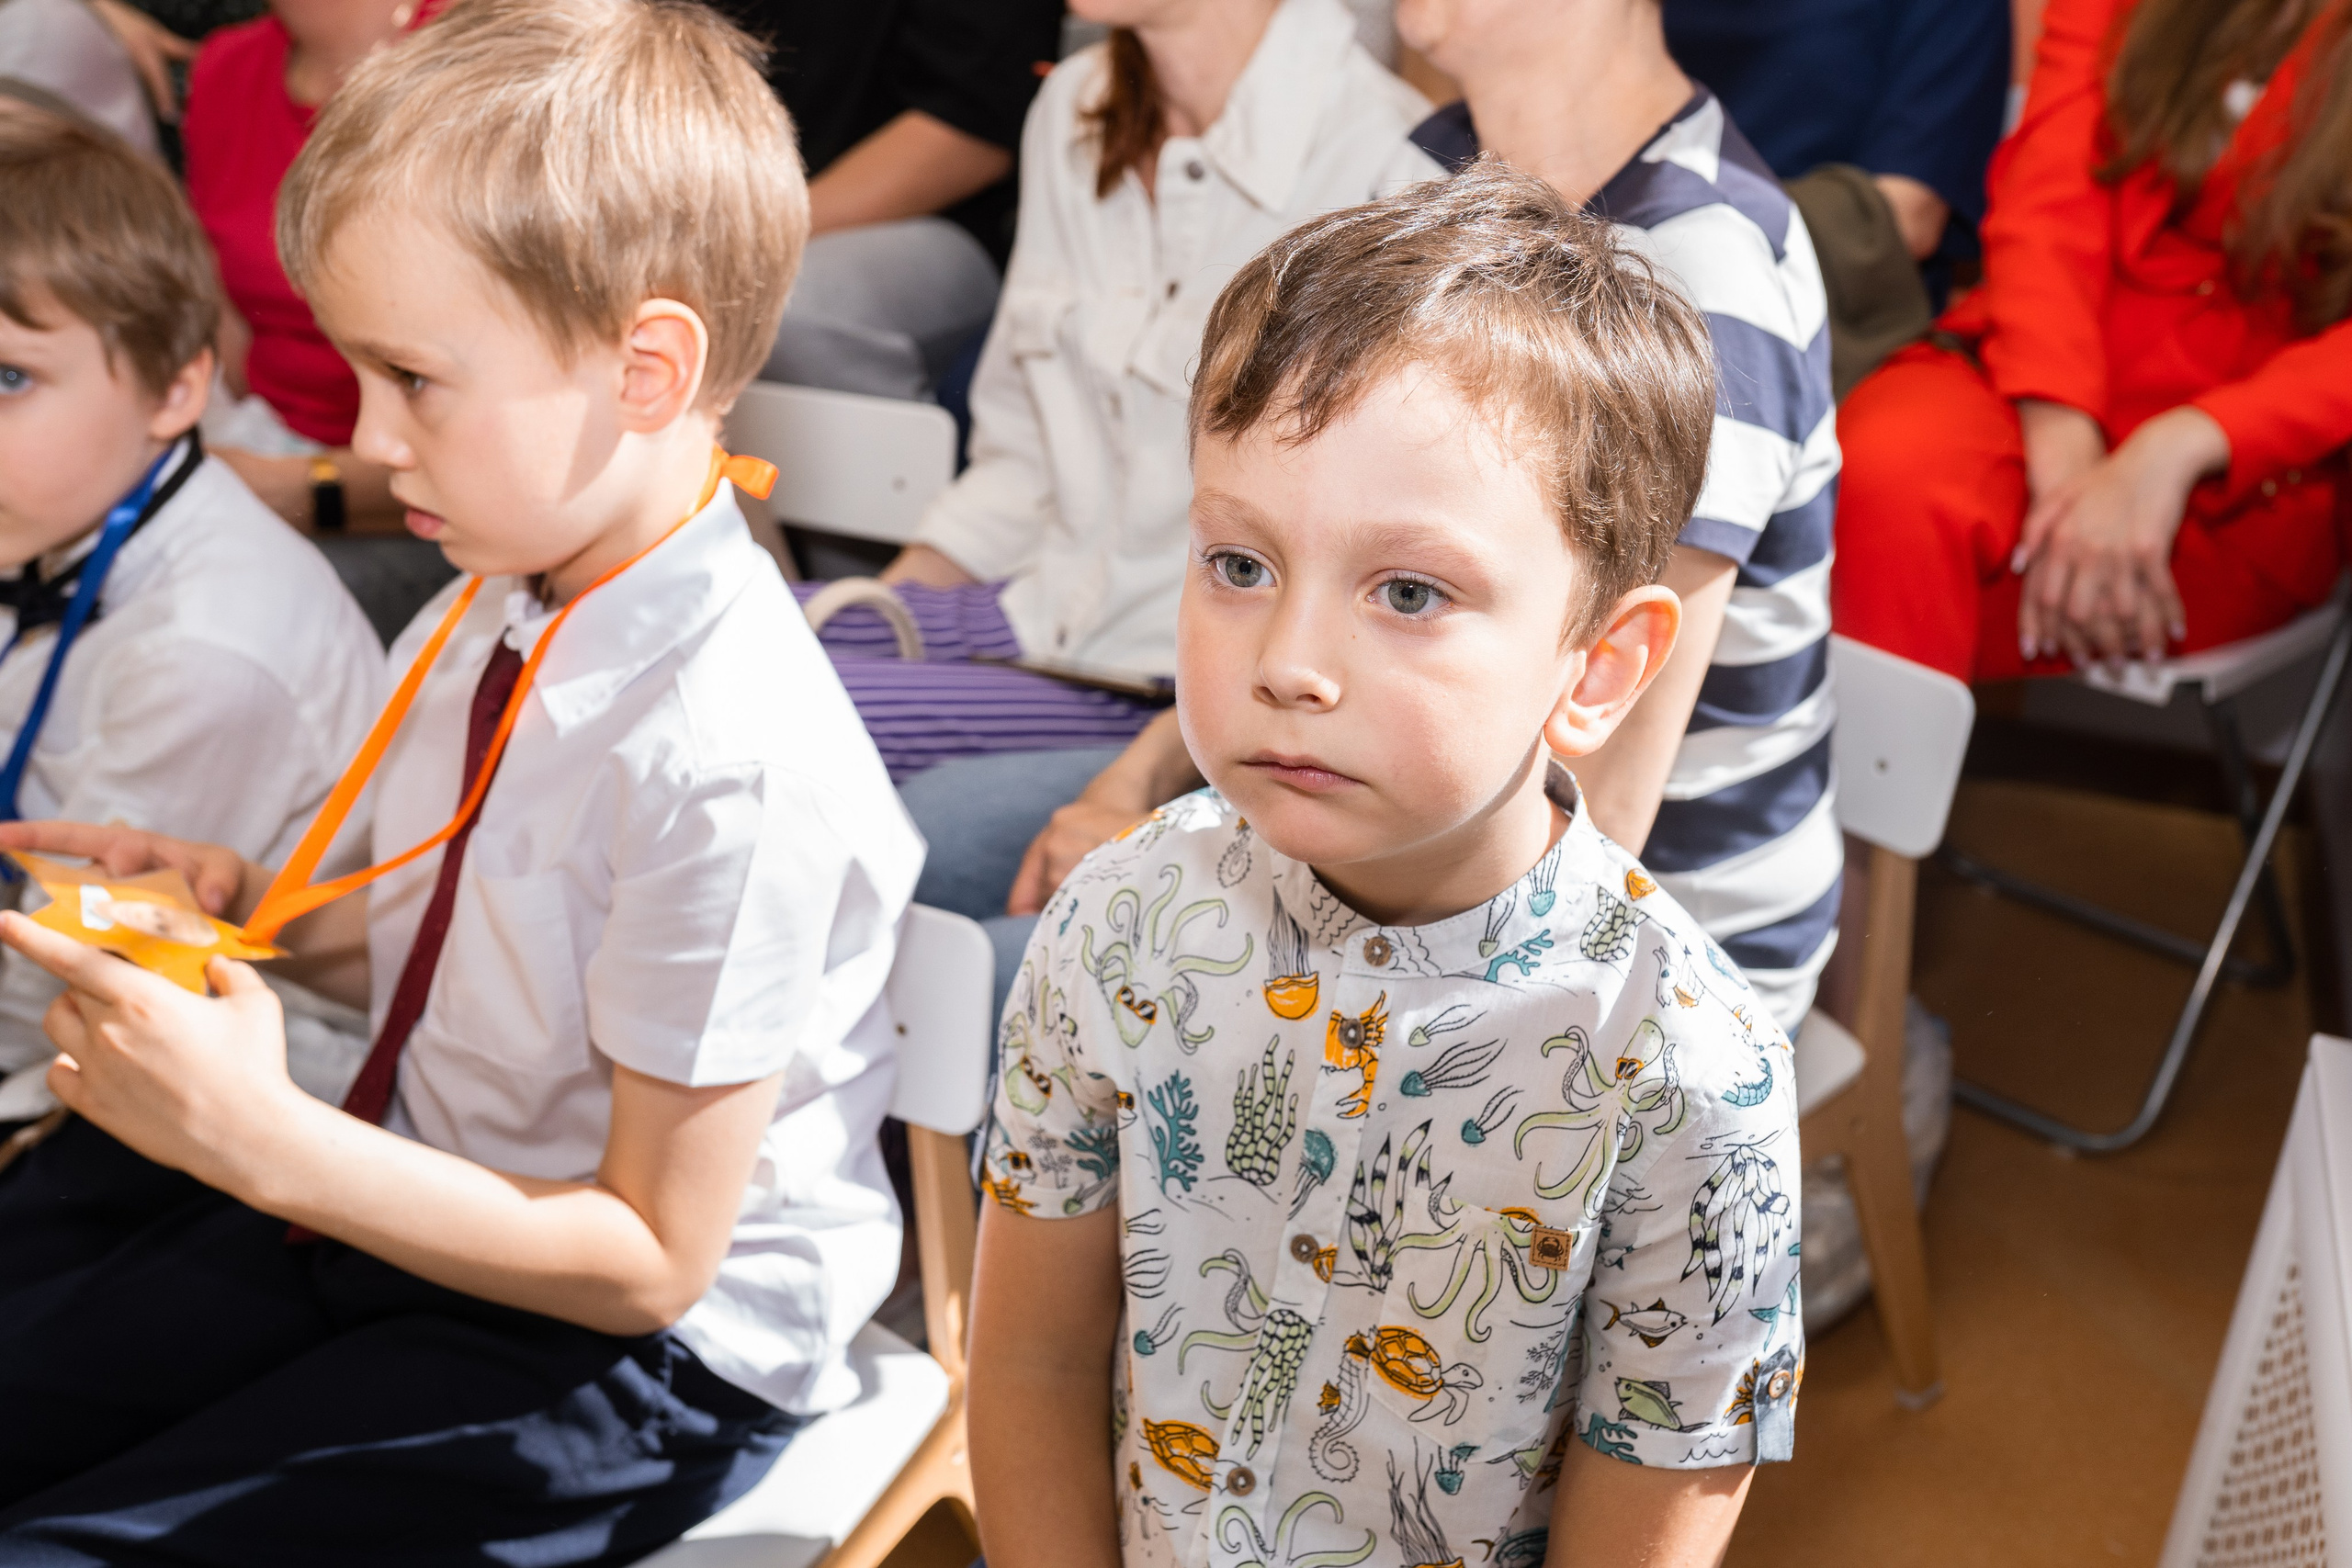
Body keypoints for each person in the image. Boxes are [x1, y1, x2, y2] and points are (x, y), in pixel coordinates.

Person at [0, 0, 922, 1558]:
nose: (365, 445)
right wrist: (238, 911)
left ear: (645, 369)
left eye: (413, 381)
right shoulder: (491, 589)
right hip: (421, 1190)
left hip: (629, 1349)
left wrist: (265, 1143)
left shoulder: (733, 759)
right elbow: (451, 939)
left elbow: (645, 1255)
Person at [967, 165, 1803, 1568]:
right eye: (1238, 562)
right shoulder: (1115, 923)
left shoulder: (1688, 1078)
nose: (1286, 664)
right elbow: (1036, 1368)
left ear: (1597, 668)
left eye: (1409, 592)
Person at [997, 0, 1843, 1030]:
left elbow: (1606, 811)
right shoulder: (1422, 172)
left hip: (1620, 933)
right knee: (978, 866)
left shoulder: (1704, 260)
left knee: (1031, 985)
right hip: (1382, 801)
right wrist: (1128, 786)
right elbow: (1300, 552)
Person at [800, 0, 1437, 777]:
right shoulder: (1073, 104)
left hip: (1161, 684)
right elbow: (1020, 457)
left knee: (766, 700)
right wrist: (879, 611)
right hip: (1035, 611)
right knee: (691, 636)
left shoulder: (1392, 163)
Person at [0, 96, 379, 1126]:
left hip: (245, 1106)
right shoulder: (48, 513)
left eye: (9, 377)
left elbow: (53, 976)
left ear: (176, 391)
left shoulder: (205, 652)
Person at [1833, 0, 2352, 682]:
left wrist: (2186, 442)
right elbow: (2047, 204)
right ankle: (1857, 784)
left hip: (2251, 465)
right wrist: (2070, 469)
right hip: (2037, 372)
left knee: (1863, 589)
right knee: (1884, 473)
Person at [713, 0, 1065, 401]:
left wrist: (736, 244)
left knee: (774, 308)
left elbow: (971, 133)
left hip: (932, 225)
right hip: (720, 209)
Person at [178, 0, 425, 533]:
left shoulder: (487, 61)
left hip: (414, 494)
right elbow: (227, 321)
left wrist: (301, 486)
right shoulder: (226, 66)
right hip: (262, 442)